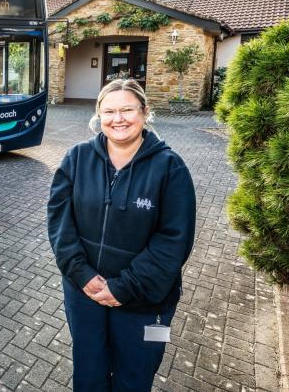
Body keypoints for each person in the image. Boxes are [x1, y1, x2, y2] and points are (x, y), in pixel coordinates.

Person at [47, 79, 196, 391]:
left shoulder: (171, 167)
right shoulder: (76, 158)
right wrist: (82, 274)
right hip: (84, 294)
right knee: (89, 371)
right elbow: (60, 222)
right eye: (109, 111)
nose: (118, 119)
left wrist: (124, 286)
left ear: (144, 112)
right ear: (98, 116)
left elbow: (174, 241)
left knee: (137, 375)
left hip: (149, 302)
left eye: (127, 109)